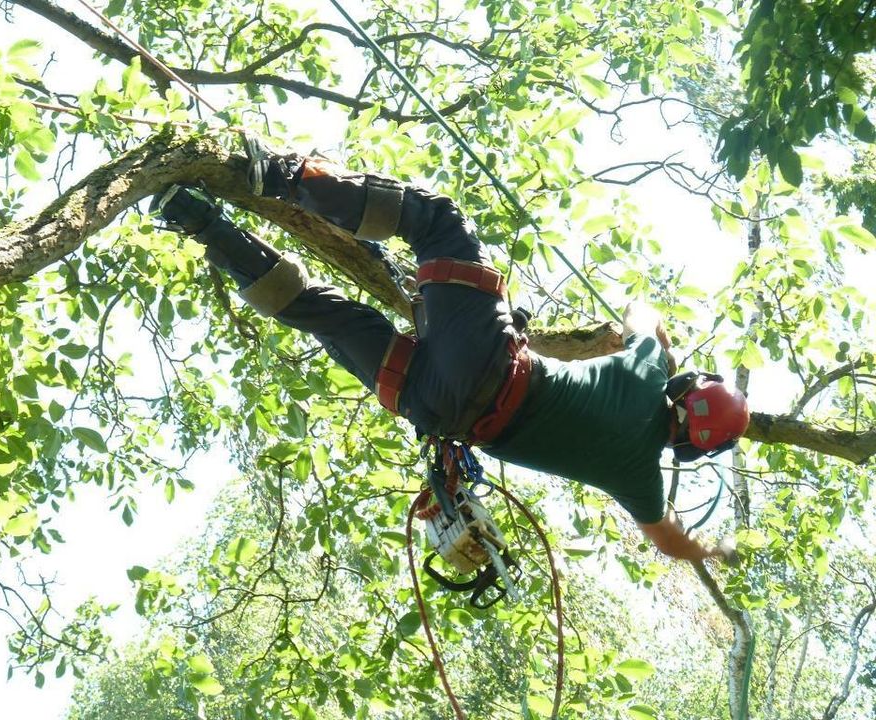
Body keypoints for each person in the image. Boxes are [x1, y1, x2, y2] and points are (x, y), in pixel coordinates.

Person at [152, 136, 749, 564]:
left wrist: (661, 345)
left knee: (438, 223)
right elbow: (669, 541)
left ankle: (278, 176)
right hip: (438, 409)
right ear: (691, 449)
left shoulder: (646, 376)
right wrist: (707, 548)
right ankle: (198, 222)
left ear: (686, 389)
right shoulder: (640, 476)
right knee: (323, 314)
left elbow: (641, 314)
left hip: (486, 356)